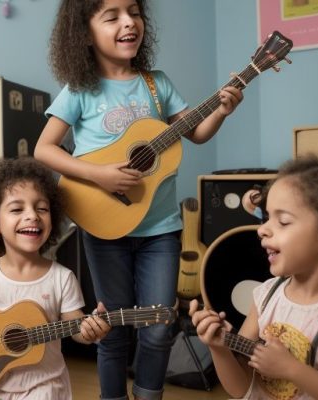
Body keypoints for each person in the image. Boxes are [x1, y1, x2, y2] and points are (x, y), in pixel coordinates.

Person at [32, 1, 244, 398]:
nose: (128, 22)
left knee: (160, 326)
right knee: (111, 327)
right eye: (111, 16)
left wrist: (221, 111)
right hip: (105, 228)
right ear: (84, 33)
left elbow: (194, 134)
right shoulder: (81, 89)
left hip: (161, 228)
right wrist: (100, 174)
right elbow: (45, 149)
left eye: (133, 12)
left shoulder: (157, 84)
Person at [190, 157, 318, 400]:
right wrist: (220, 348)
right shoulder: (266, 295)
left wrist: (292, 370)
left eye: (283, 221)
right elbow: (240, 388)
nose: (262, 229)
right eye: (266, 217)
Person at [0, 157, 111, 399]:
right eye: (17, 209)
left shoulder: (62, 278)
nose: (32, 216)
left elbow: (76, 327)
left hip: (43, 384)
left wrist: (90, 331)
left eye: (41, 208)